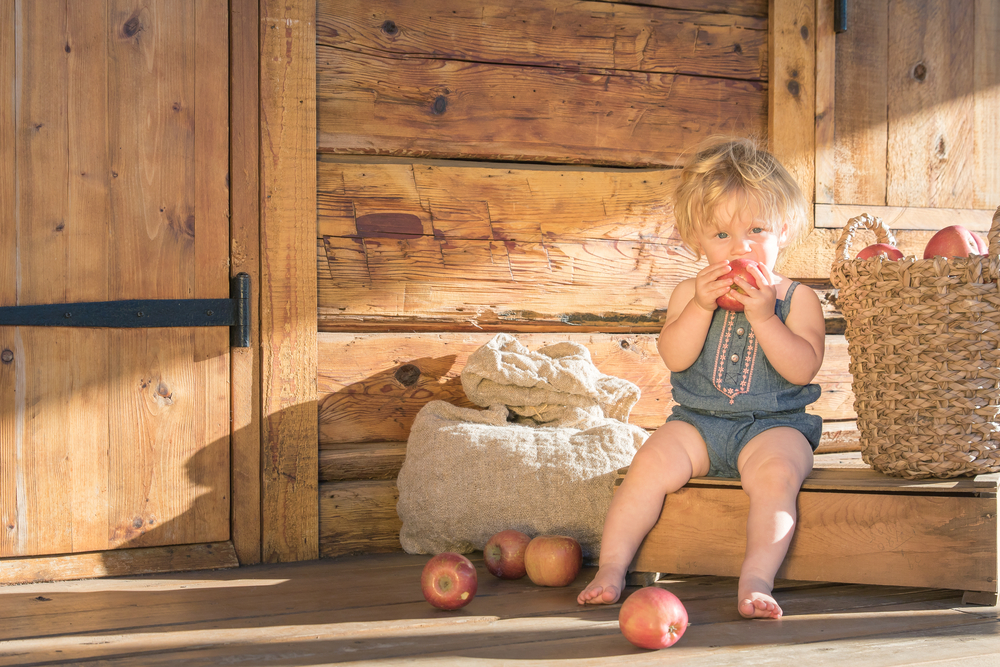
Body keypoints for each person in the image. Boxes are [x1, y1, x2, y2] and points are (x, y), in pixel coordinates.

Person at [577, 137, 826, 619]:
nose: (742, 248)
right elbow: (674, 356)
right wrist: (699, 306)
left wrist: (764, 318)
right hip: (696, 424)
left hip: (774, 427)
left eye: (757, 230)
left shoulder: (798, 299)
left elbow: (803, 367)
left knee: (779, 476)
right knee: (645, 466)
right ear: (695, 240)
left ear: (785, 229)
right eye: (721, 237)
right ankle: (610, 568)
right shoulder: (690, 293)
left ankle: (755, 579)